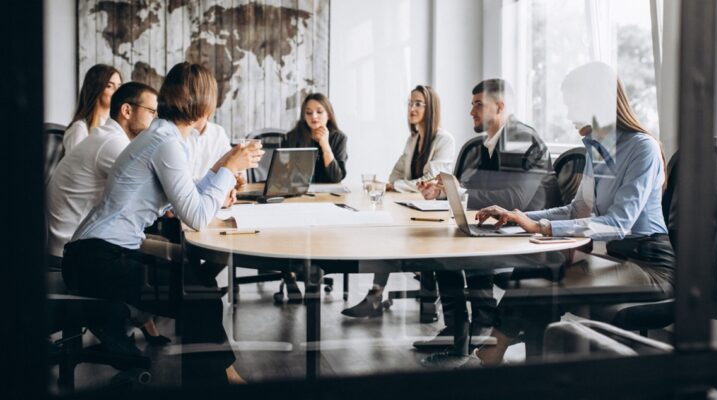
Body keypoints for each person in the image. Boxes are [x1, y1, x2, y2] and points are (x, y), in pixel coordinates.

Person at [61, 62, 263, 385]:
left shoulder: (164, 137)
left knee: (201, 287)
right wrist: (226, 171)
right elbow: (195, 215)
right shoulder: (166, 143)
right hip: (95, 259)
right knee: (200, 295)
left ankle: (221, 376)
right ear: (203, 105)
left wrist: (223, 170)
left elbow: (187, 195)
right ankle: (219, 380)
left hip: (94, 254)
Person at [465, 62, 673, 367]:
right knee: (534, 271)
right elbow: (576, 209)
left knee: (544, 284)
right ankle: (516, 360)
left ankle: (499, 350)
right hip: (619, 259)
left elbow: (618, 224)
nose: (568, 114)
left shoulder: (643, 149)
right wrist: (518, 215)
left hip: (652, 267)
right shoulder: (599, 149)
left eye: (573, 104)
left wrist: (541, 226)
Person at [411, 79, 552, 350]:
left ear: (499, 107)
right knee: (439, 243)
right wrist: (441, 191)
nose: (471, 111)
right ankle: (457, 327)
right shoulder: (481, 146)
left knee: (450, 243)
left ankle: (478, 326)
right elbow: (474, 191)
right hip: (494, 225)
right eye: (471, 104)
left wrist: (460, 194)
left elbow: (515, 200)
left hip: (525, 229)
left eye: (478, 105)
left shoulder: (520, 138)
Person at [47, 81, 166, 343]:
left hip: (78, 238)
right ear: (126, 110)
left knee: (150, 251)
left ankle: (127, 332)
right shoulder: (113, 144)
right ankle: (124, 332)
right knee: (159, 268)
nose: (157, 120)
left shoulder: (106, 137)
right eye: (152, 112)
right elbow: (156, 189)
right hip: (76, 247)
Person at [341, 85, 455, 318]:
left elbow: (429, 181)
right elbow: (396, 173)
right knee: (385, 231)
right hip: (411, 206)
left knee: (393, 234)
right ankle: (375, 297)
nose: (411, 108)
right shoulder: (413, 139)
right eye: (410, 103)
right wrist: (394, 184)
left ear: (431, 107)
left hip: (433, 212)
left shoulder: (444, 140)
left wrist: (396, 185)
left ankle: (425, 300)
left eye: (418, 104)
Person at [277, 93, 349, 301]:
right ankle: (289, 277)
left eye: (319, 112)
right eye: (308, 113)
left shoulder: (338, 138)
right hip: (296, 198)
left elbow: (336, 178)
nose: (314, 117)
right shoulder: (292, 136)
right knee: (282, 229)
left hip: (326, 201)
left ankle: (313, 275)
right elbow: (283, 176)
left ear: (328, 114)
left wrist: (325, 145)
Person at [63, 64, 122, 153]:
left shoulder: (114, 127)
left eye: (119, 86)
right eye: (109, 86)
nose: (117, 92)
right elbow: (74, 166)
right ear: (96, 89)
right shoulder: (79, 129)